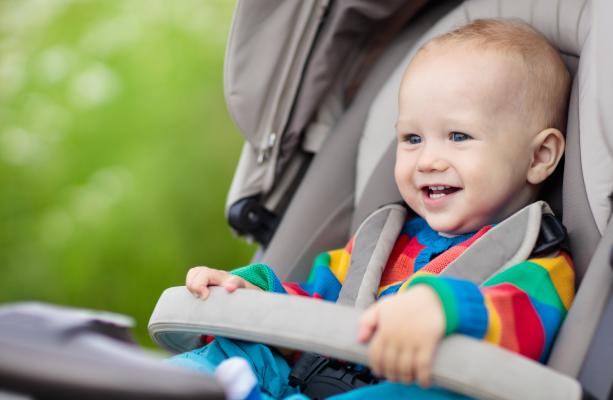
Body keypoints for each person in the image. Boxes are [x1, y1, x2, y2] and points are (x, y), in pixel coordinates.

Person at [168, 18, 574, 400]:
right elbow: (315, 308)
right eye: (412, 138)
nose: (428, 159)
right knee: (237, 350)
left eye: (458, 136)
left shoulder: (538, 263)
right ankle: (195, 384)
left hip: (411, 384)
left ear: (539, 156)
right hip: (312, 378)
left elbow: (521, 328)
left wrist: (443, 307)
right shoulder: (379, 240)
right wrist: (257, 294)